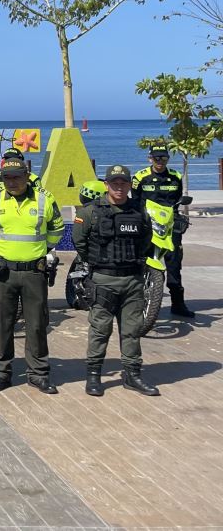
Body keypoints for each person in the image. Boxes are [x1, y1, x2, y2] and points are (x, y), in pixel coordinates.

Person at [0, 155, 64, 393]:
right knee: (1, 324)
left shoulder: (44, 199)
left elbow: (56, 228)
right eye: (7, 177)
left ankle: (38, 374)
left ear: (27, 176)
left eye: (17, 176)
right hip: (3, 274)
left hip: (33, 273)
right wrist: (4, 252)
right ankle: (0, 374)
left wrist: (41, 249)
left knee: (36, 325)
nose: (12, 181)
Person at [75, 164, 160, 397]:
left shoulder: (139, 211)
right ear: (107, 185)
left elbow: (145, 240)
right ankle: (93, 376)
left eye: (124, 183)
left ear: (130, 185)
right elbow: (80, 243)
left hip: (132, 280)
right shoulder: (89, 212)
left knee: (132, 331)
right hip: (103, 280)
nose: (119, 187)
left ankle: (132, 375)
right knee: (100, 330)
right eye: (115, 183)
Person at [133, 142, 193, 318]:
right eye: (156, 157)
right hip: (147, 225)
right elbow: (135, 203)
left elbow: (178, 201)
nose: (160, 161)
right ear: (150, 158)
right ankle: (135, 301)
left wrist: (180, 218)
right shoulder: (140, 177)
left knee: (174, 263)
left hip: (169, 225)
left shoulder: (175, 176)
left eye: (164, 157)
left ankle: (178, 304)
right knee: (140, 260)